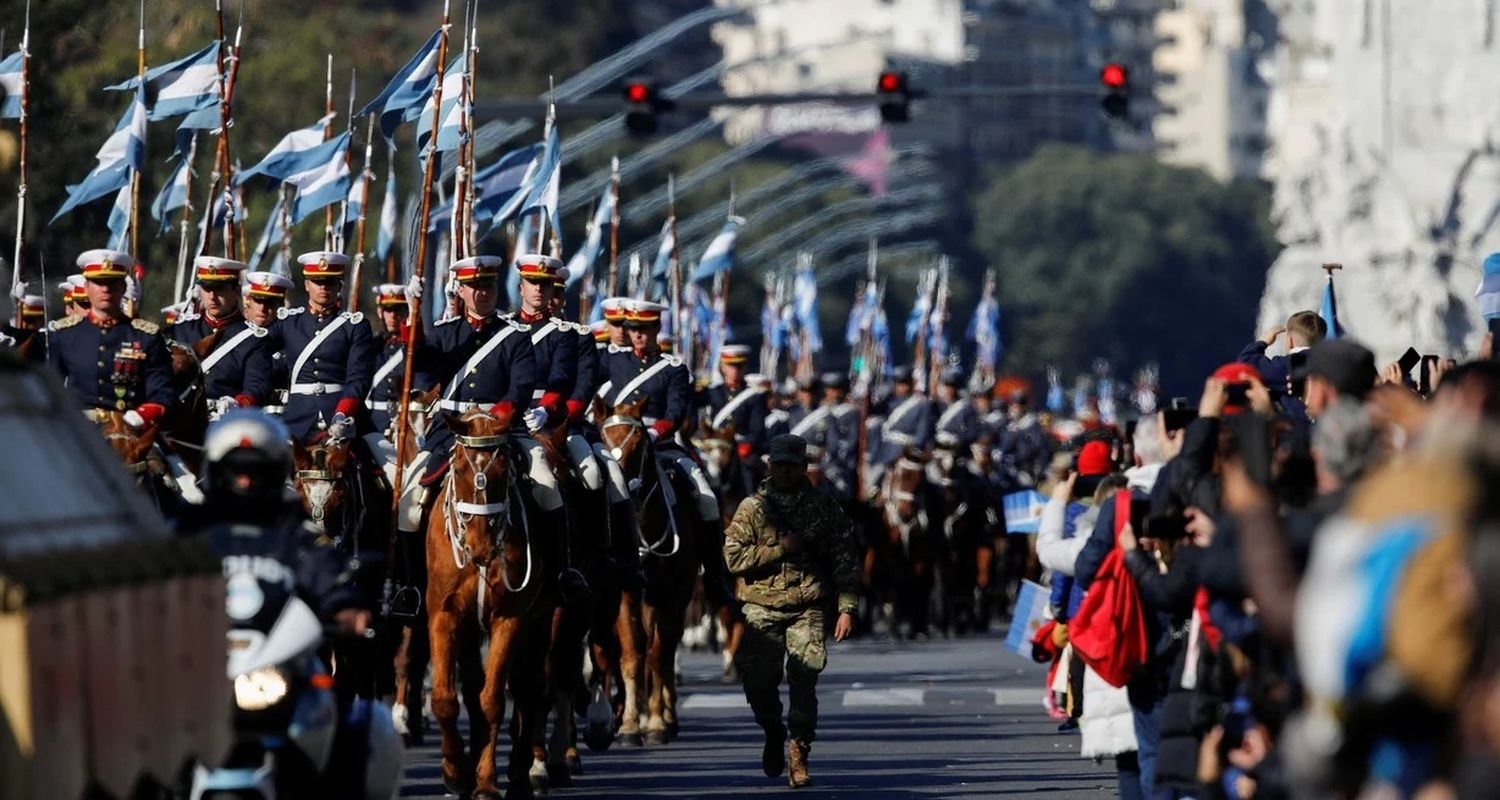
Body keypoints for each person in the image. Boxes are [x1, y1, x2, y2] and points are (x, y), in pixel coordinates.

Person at [723, 433, 861, 789]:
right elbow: (733, 558)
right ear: (770, 466)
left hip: (807, 607)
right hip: (761, 608)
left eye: (791, 465)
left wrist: (846, 608)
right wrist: (778, 549)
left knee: (804, 679)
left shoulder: (823, 506)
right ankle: (772, 729)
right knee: (757, 683)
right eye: (778, 464)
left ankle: (799, 751)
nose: (784, 471)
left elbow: (844, 558)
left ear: (803, 467)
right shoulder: (752, 508)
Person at [601, 299, 735, 608]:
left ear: (656, 329)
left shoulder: (673, 368)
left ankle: (715, 576)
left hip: (659, 444)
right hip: (617, 442)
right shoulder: (612, 362)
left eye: (644, 329)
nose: (637, 335)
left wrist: (652, 433)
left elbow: (675, 412)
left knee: (705, 495)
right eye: (632, 328)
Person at [46, 249, 174, 429]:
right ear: (87, 287)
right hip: (78, 430)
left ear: (123, 287)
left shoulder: (146, 337)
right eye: (99, 282)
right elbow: (50, 388)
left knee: (164, 459)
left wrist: (139, 417)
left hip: (130, 429)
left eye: (113, 283)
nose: (106, 289)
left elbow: (162, 393)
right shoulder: (64, 334)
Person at [277, 252, 377, 441]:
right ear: (307, 285)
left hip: (343, 417)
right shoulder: (288, 322)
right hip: (296, 420)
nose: (323, 287)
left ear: (339, 286)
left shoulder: (354, 326)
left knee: (387, 463)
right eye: (317, 281)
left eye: (330, 282)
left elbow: (359, 377)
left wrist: (343, 413)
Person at [167, 257, 273, 413]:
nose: (212, 297)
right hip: (182, 418)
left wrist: (238, 403)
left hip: (226, 419)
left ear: (237, 291)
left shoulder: (253, 339)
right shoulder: (181, 330)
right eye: (206, 289)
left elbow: (257, 385)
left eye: (219, 289)